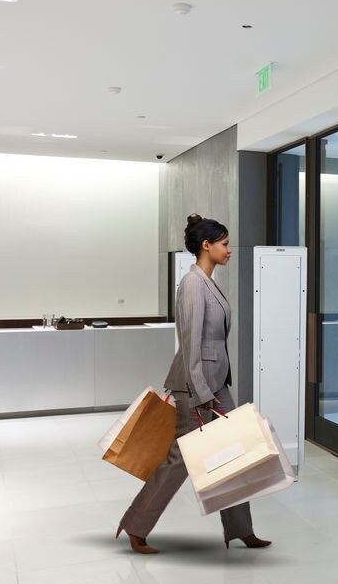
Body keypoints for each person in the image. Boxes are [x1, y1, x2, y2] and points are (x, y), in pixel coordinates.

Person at [116, 214, 271, 554]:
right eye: (225, 244)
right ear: (206, 246)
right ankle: (135, 524)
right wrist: (202, 394)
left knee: (234, 455)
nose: (229, 250)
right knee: (180, 460)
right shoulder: (191, 284)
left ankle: (241, 529)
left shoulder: (209, 282)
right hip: (195, 386)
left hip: (216, 385)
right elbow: (189, 343)